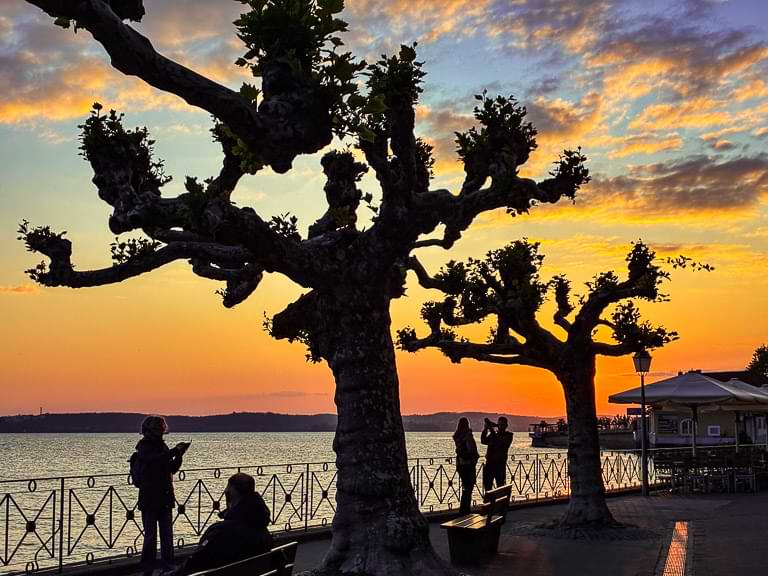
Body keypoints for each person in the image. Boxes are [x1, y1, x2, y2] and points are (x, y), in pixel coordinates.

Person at [175, 473, 273, 575]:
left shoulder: (221, 532)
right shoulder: (262, 530)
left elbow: (195, 562)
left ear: (230, 495)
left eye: (227, 493)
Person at [132, 416, 190, 576]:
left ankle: (168, 565)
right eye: (159, 428)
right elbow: (153, 461)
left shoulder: (162, 446)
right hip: (150, 497)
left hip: (164, 496)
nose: (162, 431)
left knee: (166, 534)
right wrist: (173, 452)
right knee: (150, 535)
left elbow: (169, 468)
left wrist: (179, 456)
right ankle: (147, 567)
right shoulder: (144, 446)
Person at [452, 417, 479, 514]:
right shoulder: (467, 436)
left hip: (460, 464)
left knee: (465, 488)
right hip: (468, 465)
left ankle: (464, 510)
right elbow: (471, 450)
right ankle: (465, 510)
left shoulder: (457, 437)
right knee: (468, 489)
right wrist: (475, 457)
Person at [480, 416, 513, 492]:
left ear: (506, 426)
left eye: (502, 425)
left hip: (499, 465)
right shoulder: (494, 435)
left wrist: (491, 430)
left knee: (500, 486)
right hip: (489, 464)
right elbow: (483, 441)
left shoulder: (508, 436)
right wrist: (486, 429)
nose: (500, 427)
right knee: (488, 487)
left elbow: (500, 442)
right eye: (499, 425)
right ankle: (489, 502)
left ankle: (499, 503)